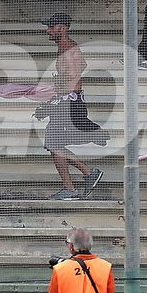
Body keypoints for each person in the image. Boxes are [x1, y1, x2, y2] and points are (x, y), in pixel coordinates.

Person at [38, 13, 107, 201]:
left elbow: (73, 73)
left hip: (69, 101)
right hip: (70, 100)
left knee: (53, 143)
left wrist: (56, 92)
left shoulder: (68, 46)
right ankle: (80, 178)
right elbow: (81, 65)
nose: (48, 30)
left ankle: (80, 179)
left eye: (52, 27)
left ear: (63, 28)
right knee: (53, 144)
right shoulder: (66, 46)